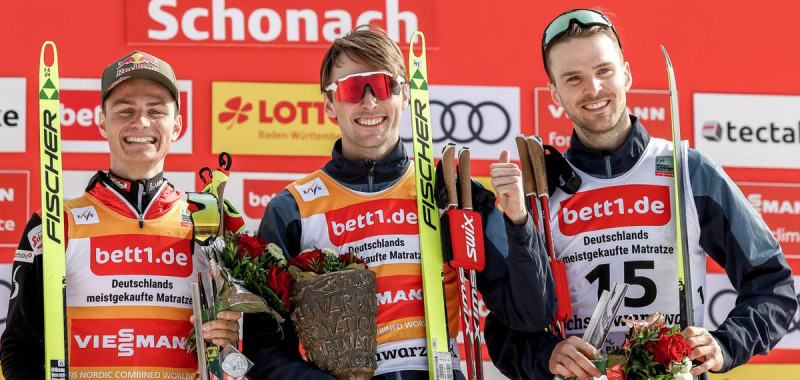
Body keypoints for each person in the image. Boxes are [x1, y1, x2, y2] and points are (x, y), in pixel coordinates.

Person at [484, 9, 798, 380]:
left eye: (604, 71)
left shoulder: (687, 170)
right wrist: (545, 354)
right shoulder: (539, 193)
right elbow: (505, 325)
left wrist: (725, 345)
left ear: (627, 74)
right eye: (574, 79)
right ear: (554, 92)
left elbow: (773, 285)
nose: (594, 89)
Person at [244, 25, 554, 379]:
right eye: (350, 88)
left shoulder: (452, 192)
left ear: (405, 95)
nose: (369, 102)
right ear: (330, 103)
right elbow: (261, 348)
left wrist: (517, 222)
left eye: (381, 86)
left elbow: (529, 314)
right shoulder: (293, 210)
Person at [1, 51, 241, 379]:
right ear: (102, 121)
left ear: (177, 125)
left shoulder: (208, 220)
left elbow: (233, 354)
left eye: (156, 110)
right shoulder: (56, 223)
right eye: (125, 109)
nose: (140, 122)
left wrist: (230, 345)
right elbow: (19, 346)